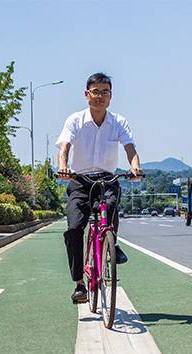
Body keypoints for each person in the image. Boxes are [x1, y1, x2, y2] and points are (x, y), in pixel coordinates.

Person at [56, 72, 143, 304]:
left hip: (107, 179)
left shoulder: (118, 122)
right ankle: (79, 284)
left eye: (105, 92)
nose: (100, 96)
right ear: (87, 94)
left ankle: (110, 242)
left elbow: (130, 148)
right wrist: (63, 166)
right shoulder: (75, 120)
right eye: (96, 92)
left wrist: (135, 168)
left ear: (111, 97)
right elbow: (64, 146)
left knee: (112, 204)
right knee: (75, 228)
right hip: (80, 181)